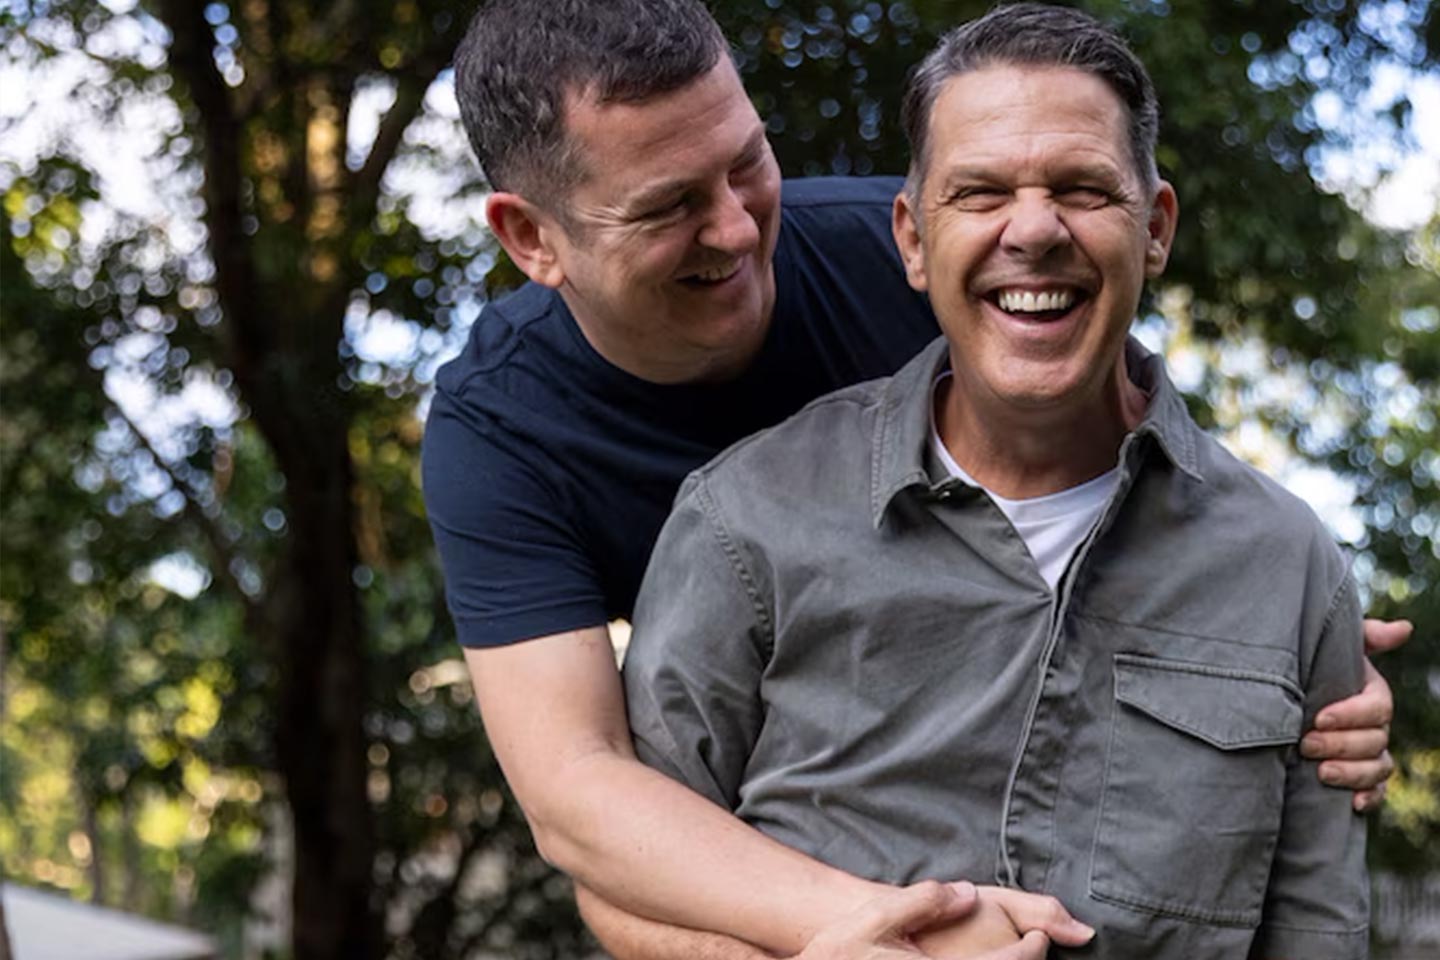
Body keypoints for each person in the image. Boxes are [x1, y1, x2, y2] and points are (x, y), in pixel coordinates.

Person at [422, 0, 1402, 956]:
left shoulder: (925, 255)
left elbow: (1130, 462)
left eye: (747, 163)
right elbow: (583, 795)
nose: (735, 228)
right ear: (532, 239)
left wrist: (1273, 632)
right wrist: (885, 931)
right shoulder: (502, 431)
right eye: (671, 205)